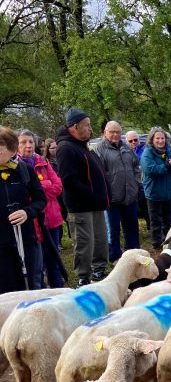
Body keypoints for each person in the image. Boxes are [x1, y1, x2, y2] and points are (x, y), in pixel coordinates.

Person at [56, 108, 109, 286]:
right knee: (85, 244)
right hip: (81, 207)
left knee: (100, 239)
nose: (90, 128)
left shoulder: (83, 146)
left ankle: (99, 270)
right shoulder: (66, 148)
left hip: (96, 205)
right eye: (86, 125)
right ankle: (83, 277)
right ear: (74, 126)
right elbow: (68, 179)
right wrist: (91, 194)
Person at [0, 127, 47, 294]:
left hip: (25, 239)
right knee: (6, 290)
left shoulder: (24, 170)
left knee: (30, 286)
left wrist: (27, 212)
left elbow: (41, 200)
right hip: (2, 244)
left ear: (12, 149)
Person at [18, 129, 64, 287]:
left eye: (30, 142)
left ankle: (57, 290)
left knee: (54, 259)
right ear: (16, 146)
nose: (28, 145)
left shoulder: (43, 162)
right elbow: (26, 196)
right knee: (37, 262)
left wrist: (39, 190)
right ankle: (41, 293)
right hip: (34, 221)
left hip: (52, 218)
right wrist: (45, 184)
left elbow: (58, 186)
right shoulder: (17, 167)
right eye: (23, 142)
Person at [94, 121, 141, 263]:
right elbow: (99, 175)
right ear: (105, 133)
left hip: (130, 196)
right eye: (112, 132)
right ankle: (115, 257)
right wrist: (107, 192)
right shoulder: (99, 150)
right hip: (112, 199)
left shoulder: (126, 148)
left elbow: (136, 166)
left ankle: (133, 253)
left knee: (132, 227)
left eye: (118, 132)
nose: (115, 135)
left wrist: (136, 183)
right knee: (113, 230)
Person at [140, 127, 171, 251]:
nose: (160, 141)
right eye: (157, 138)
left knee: (168, 220)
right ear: (152, 139)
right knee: (156, 221)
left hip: (168, 192)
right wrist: (168, 165)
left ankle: (168, 242)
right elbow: (151, 170)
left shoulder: (169, 151)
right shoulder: (147, 153)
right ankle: (157, 244)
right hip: (154, 192)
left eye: (162, 138)